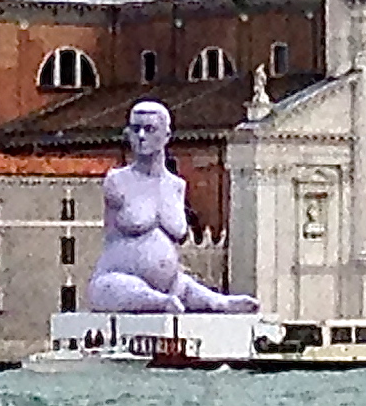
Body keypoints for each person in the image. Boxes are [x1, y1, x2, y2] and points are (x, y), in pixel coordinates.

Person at [84, 101, 260, 314]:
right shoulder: (117, 181)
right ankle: (159, 302)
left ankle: (217, 302)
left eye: (149, 129)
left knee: (186, 286)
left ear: (166, 135)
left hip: (172, 283)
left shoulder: (176, 186)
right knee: (122, 289)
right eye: (135, 129)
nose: (141, 136)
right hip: (117, 279)